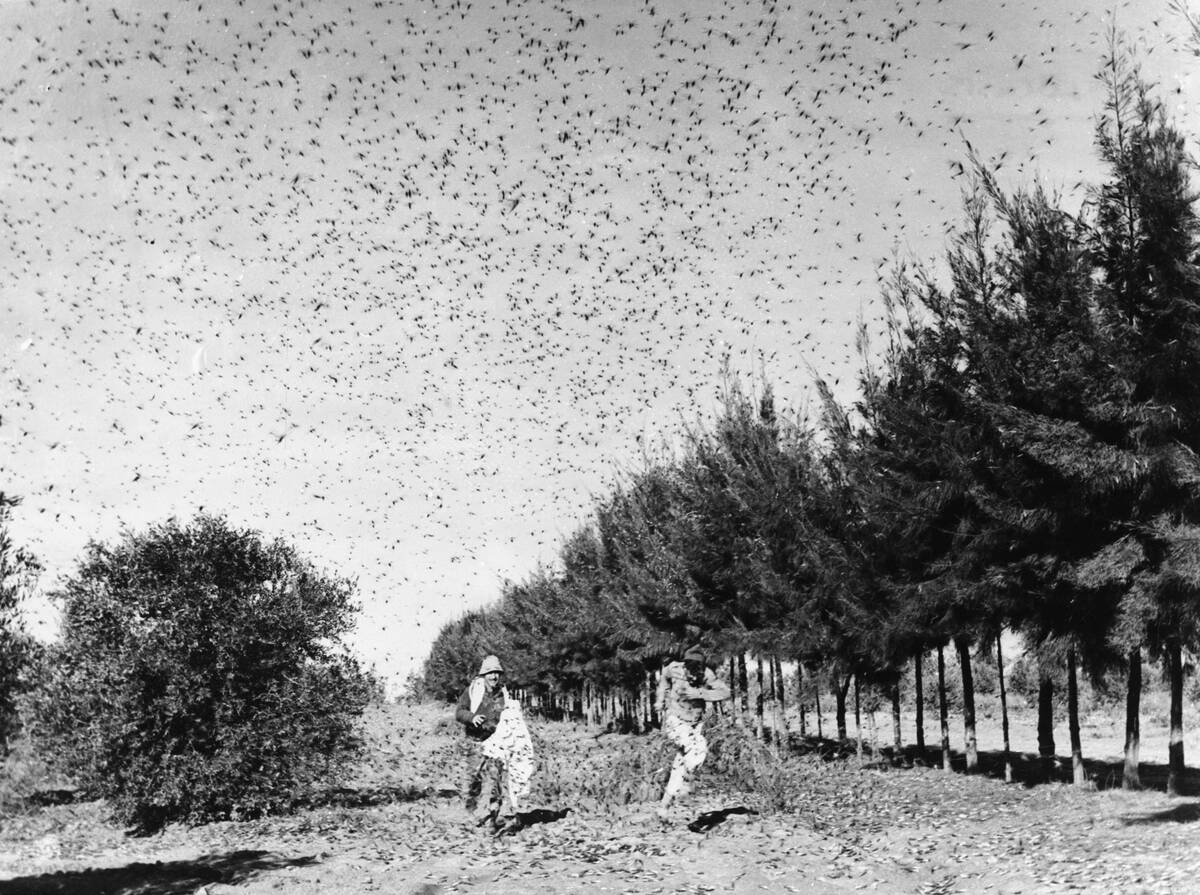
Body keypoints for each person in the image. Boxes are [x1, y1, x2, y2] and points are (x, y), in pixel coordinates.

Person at [655, 644, 730, 818]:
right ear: (684, 664)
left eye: (698, 667)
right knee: (698, 746)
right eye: (690, 666)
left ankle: (663, 808)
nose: (693, 672)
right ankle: (688, 783)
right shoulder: (673, 669)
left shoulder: (706, 674)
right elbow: (663, 682)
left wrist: (700, 693)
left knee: (680, 763)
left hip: (695, 723)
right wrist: (660, 700)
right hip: (675, 720)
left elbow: (725, 692)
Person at [455, 655, 508, 827]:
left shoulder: (502, 694)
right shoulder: (473, 691)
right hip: (474, 742)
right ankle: (471, 814)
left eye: (497, 673)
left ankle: (494, 815)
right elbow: (459, 712)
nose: (494, 677)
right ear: (484, 675)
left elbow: (508, 716)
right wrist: (472, 718)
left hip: (495, 743)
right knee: (473, 782)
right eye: (491, 673)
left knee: (496, 780)